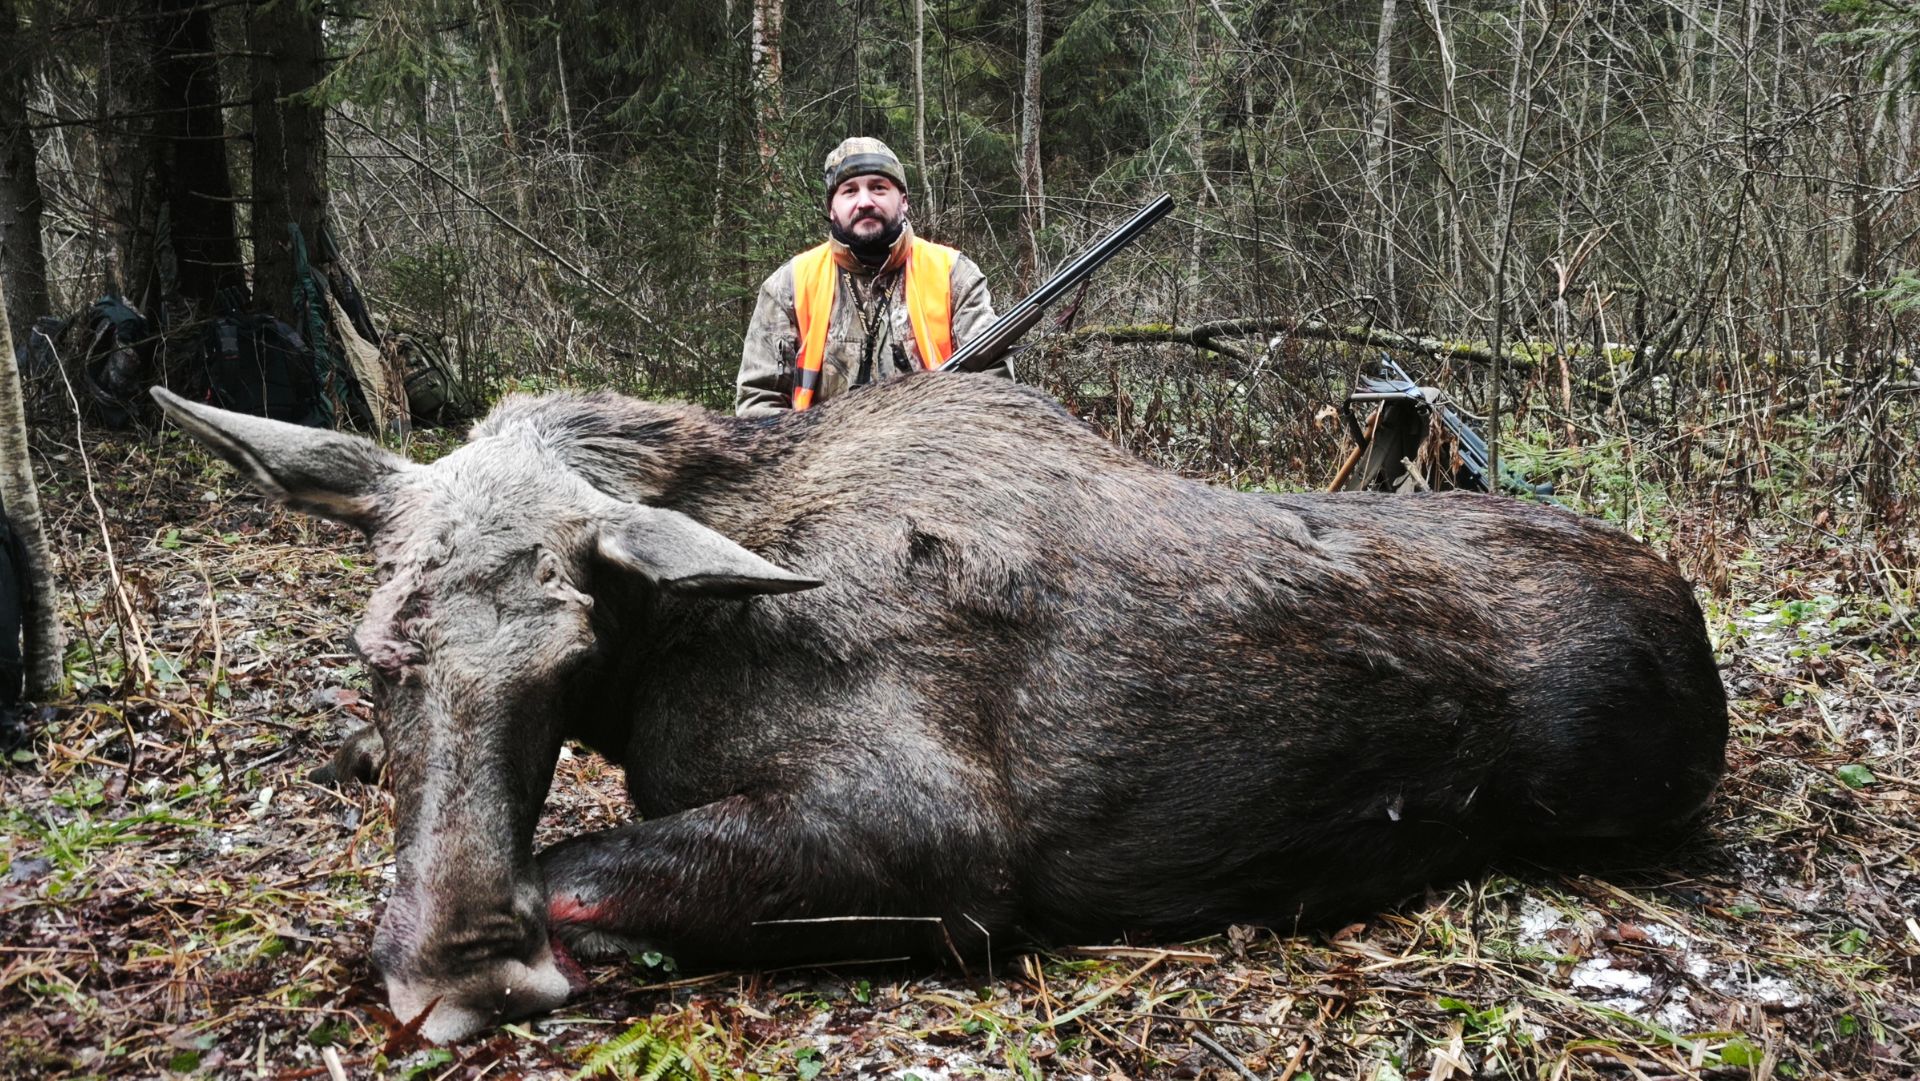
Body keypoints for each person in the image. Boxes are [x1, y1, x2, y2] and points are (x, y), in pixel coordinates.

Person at [735, 138, 1009, 417]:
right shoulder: (790, 286)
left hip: (939, 453)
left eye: (878, 188)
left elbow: (995, 390)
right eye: (850, 191)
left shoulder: (953, 275)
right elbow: (759, 403)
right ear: (832, 208)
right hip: (825, 458)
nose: (864, 202)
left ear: (903, 201)